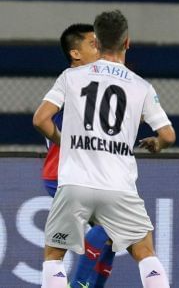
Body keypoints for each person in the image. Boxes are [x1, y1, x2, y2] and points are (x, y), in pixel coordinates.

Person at [33, 10, 176, 288]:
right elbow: (168, 134)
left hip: (75, 181)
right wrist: (158, 144)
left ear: (97, 43)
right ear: (128, 43)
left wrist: (66, 142)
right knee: (145, 253)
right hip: (118, 185)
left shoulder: (71, 78)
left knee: (54, 255)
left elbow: (40, 118)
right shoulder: (141, 86)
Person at [37, 23, 120, 287]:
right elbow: (42, 119)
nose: (101, 48)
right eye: (93, 44)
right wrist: (66, 143)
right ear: (76, 54)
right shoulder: (72, 83)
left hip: (83, 172)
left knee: (115, 232)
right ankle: (79, 284)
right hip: (65, 172)